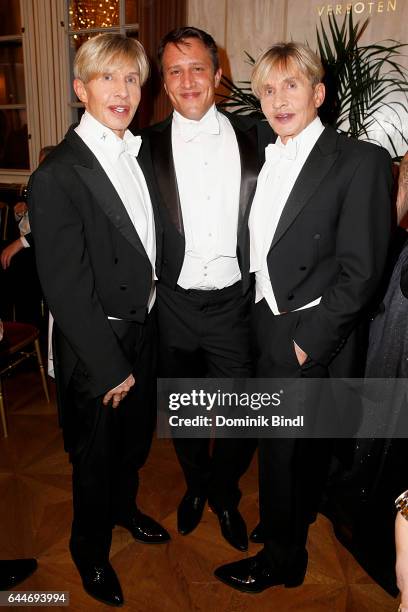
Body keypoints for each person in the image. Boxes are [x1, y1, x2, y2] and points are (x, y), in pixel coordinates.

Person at [214, 41, 393, 593]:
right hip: (263, 318)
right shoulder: (264, 150)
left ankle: (282, 562)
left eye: (291, 85)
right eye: (267, 88)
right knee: (295, 447)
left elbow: (363, 270)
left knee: (282, 450)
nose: (277, 99)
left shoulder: (359, 160)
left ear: (318, 92)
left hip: (307, 329)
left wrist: (308, 340)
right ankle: (290, 520)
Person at [28, 33, 169, 607]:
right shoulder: (59, 173)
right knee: (93, 456)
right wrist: (110, 364)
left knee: (132, 443)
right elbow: (65, 287)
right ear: (79, 88)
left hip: (145, 325)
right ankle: (89, 552)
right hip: (98, 341)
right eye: (108, 78)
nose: (123, 90)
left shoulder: (135, 153)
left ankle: (124, 508)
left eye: (132, 78)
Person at [137, 27, 270, 553]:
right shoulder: (141, 146)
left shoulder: (258, 136)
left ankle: (223, 492)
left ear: (218, 76)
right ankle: (196, 485)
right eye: (175, 70)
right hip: (172, 303)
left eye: (197, 68)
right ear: (164, 84)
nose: (187, 80)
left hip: (235, 302)